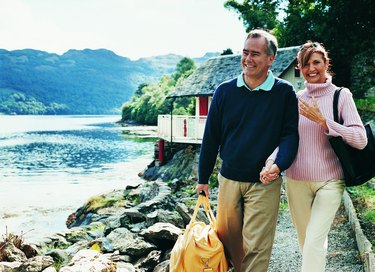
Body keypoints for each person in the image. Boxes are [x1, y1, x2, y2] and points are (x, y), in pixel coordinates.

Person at [195, 29, 299, 272]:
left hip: (264, 182)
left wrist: (279, 164)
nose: (248, 59)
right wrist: (203, 178)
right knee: (229, 244)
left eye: (255, 54)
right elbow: (211, 138)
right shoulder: (224, 91)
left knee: (257, 246)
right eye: (245, 53)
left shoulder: (283, 92)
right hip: (229, 179)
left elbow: (290, 135)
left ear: (270, 59)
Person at [264, 41, 367, 272]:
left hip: (330, 181)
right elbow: (285, 139)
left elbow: (360, 139)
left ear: (326, 64)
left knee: (312, 242)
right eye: (306, 64)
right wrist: (271, 162)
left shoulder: (341, 96)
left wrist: (324, 122)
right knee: (309, 244)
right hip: (296, 181)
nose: (312, 68)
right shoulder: (294, 99)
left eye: (316, 62)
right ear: (299, 68)